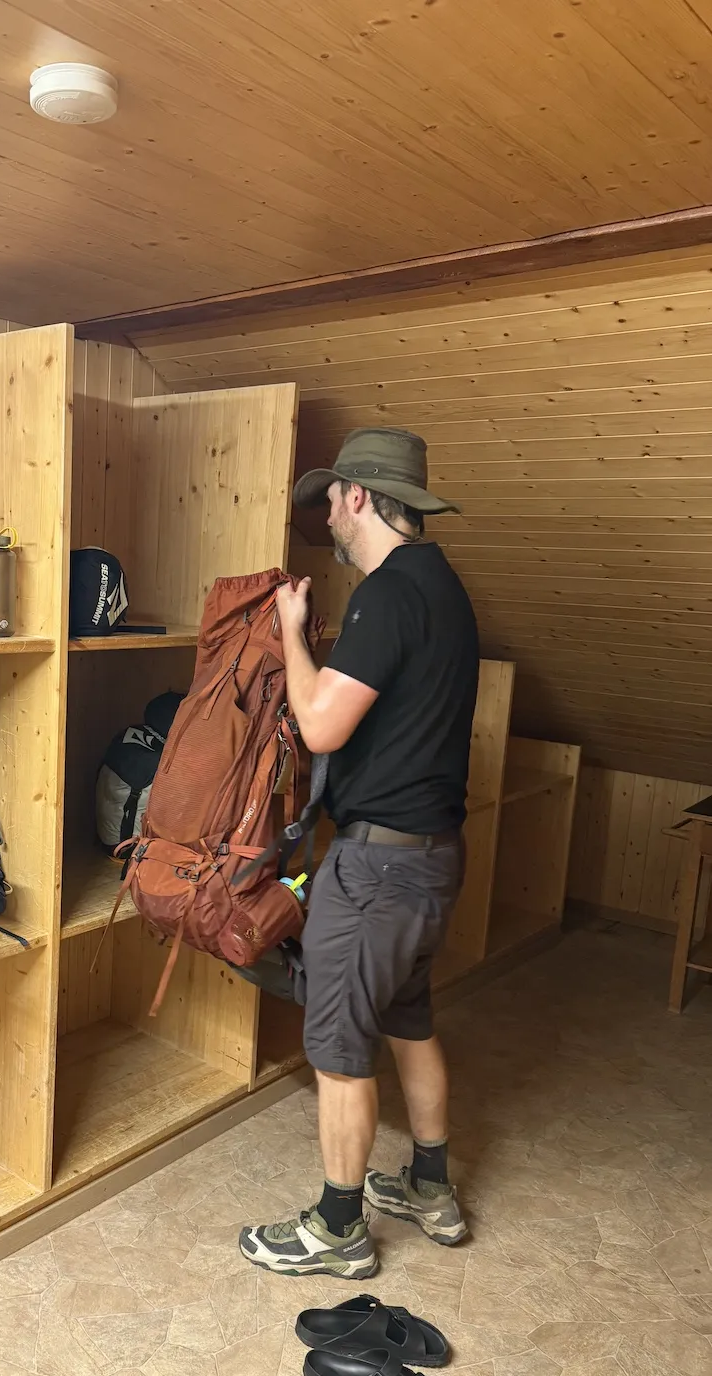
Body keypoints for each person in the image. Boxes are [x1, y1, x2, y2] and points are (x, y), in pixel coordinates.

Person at [239, 427, 479, 1279]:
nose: (328, 515)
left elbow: (320, 723)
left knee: (339, 1048)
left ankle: (338, 1228)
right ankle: (428, 1187)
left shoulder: (387, 594)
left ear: (359, 498)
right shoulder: (444, 587)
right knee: (409, 1023)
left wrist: (294, 631)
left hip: (376, 870)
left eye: (333, 497)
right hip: (431, 862)